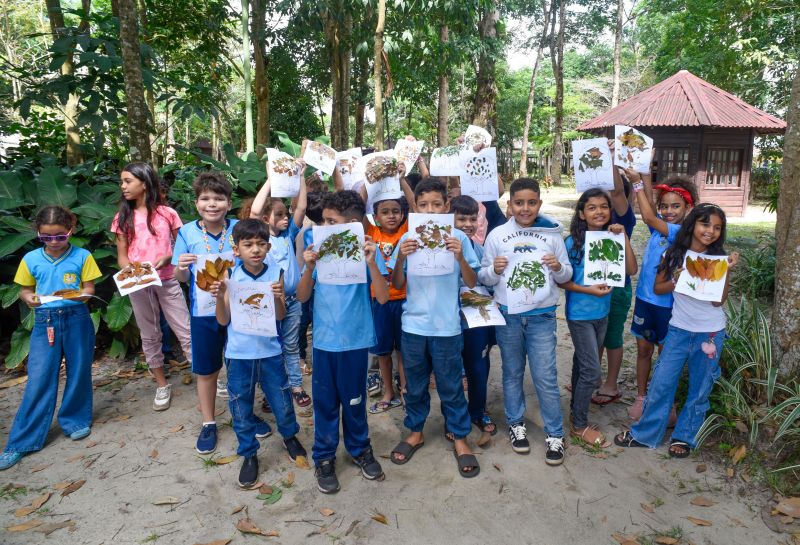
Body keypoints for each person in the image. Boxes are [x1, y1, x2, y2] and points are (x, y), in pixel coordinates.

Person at [615, 204, 738, 457]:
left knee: (700, 388)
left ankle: (684, 437)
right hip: (678, 329)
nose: (710, 231)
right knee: (662, 383)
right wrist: (676, 279)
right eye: (705, 224)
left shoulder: (718, 259)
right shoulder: (673, 254)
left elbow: (718, 302)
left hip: (711, 333)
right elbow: (658, 288)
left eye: (717, 228)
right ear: (692, 225)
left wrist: (725, 272)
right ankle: (646, 433)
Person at [388, 178, 482, 478]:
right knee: (414, 385)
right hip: (413, 326)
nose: (430, 209)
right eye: (424, 204)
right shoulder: (408, 238)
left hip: (447, 327)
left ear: (447, 206)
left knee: (451, 385)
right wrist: (402, 256)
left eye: (437, 204)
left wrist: (458, 256)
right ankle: (415, 431)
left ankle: (460, 436)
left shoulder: (459, 238)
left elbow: (471, 282)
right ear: (416, 206)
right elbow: (397, 285)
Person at [297, 190, 389, 494]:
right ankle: (323, 457)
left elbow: (383, 295)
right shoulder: (317, 250)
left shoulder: (366, 252)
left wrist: (372, 263)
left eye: (331, 221)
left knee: (355, 400)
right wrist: (309, 266)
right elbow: (302, 296)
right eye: (322, 220)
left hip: (355, 341)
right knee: (324, 402)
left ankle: (360, 448)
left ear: (351, 225)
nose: (323, 225)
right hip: (324, 343)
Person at [172, 172, 270, 454]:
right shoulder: (187, 232)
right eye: (205, 198)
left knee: (242, 365)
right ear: (196, 203)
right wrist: (181, 265)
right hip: (203, 313)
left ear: (228, 203)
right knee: (207, 369)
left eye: (218, 199)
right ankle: (208, 422)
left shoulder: (239, 228)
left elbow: (257, 258)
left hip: (240, 309)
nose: (211, 204)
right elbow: (180, 278)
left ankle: (246, 414)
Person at [478, 178, 572, 466]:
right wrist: (493, 270)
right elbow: (484, 278)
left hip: (542, 316)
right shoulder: (497, 235)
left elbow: (566, 275)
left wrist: (557, 267)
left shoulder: (552, 234)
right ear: (510, 205)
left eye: (532, 202)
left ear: (539, 204)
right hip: (509, 316)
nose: (525, 208)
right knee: (512, 371)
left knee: (545, 375)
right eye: (519, 202)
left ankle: (555, 433)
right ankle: (515, 423)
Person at [0, 207, 101, 470]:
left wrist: (77, 295)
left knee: (79, 373)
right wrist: (28, 299)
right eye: (46, 237)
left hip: (77, 318)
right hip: (45, 322)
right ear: (38, 234)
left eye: (60, 236)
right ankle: (21, 442)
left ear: (71, 230)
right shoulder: (30, 259)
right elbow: (25, 290)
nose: (54, 243)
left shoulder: (83, 256)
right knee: (40, 377)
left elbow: (89, 290)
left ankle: (75, 421)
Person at [214, 219, 307, 488]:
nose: (255, 250)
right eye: (248, 244)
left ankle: (289, 436)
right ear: (237, 249)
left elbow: (280, 316)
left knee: (281, 400)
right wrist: (221, 296)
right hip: (239, 354)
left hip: (270, 353)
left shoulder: (275, 271)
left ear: (268, 247)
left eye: (260, 244)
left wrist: (279, 298)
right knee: (240, 406)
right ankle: (249, 453)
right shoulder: (230, 275)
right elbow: (223, 321)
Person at [558, 189, 637, 447]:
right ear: (582, 213)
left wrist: (623, 236)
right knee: (592, 371)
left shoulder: (611, 238)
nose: (599, 211)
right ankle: (579, 424)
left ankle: (574, 410)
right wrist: (588, 290)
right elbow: (563, 282)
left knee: (583, 363)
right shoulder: (571, 243)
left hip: (602, 315)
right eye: (592, 207)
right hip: (580, 315)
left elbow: (631, 270)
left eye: (604, 206)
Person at [112, 162, 193, 411]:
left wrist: (169, 257)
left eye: (128, 181)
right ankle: (161, 384)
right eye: (122, 181)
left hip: (168, 278)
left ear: (144, 183)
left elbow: (182, 247)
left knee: (185, 329)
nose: (123, 186)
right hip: (139, 283)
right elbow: (122, 255)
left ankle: (208, 377)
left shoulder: (167, 214)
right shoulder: (122, 218)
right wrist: (134, 272)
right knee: (149, 334)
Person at [626, 168, 697, 420]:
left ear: (688, 207)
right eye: (664, 206)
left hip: (668, 307)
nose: (669, 211)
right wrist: (645, 172)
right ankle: (642, 397)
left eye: (676, 206)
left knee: (665, 356)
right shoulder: (661, 229)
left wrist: (635, 183)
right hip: (646, 302)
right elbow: (650, 208)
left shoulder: (680, 233)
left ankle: (665, 402)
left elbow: (647, 215)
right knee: (643, 349)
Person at [251, 160, 310, 408]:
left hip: (293, 301)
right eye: (279, 215)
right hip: (268, 304)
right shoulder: (262, 237)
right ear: (267, 219)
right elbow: (254, 213)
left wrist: (301, 177)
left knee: (291, 345)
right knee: (271, 349)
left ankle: (295, 386)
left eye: (286, 214)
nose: (286, 218)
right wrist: (270, 180)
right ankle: (272, 392)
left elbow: (302, 207)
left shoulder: (288, 235)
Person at [451, 195, 497, 435]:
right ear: (450, 220)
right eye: (461, 219)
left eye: (473, 219)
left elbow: (488, 281)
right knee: (451, 370)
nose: (468, 224)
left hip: (477, 318)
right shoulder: (440, 247)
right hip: (448, 318)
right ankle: (455, 416)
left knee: (478, 365)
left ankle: (478, 410)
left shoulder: (481, 248)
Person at [593, 162, 637, 406]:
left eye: (608, 198)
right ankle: (593, 379)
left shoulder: (624, 218)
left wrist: (609, 161)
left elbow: (618, 192)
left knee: (612, 336)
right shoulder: (594, 221)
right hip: (593, 287)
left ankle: (610, 385)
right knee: (596, 335)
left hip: (617, 288)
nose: (603, 207)